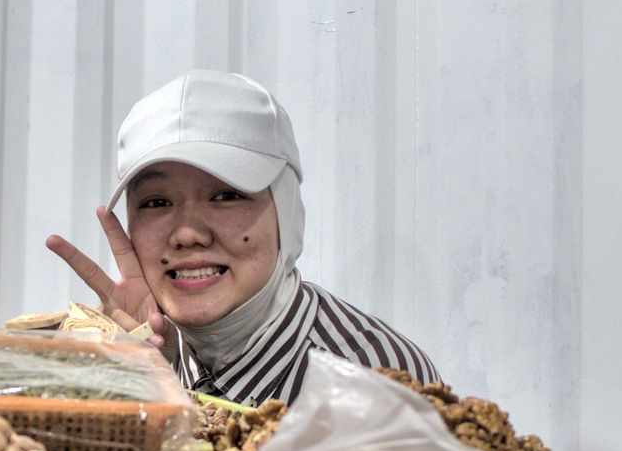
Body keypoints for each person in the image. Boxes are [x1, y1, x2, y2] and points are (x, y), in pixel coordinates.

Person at [47, 71, 439, 404]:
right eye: (156, 202)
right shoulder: (136, 350)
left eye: (227, 195)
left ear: (286, 211)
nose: (187, 233)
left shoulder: (378, 380)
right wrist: (129, 384)